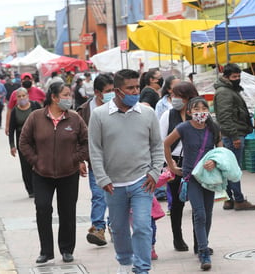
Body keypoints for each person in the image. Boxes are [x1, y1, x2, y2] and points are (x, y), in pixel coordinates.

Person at [88, 69, 164, 274]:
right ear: (117, 91)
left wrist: (155, 173)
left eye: (137, 87)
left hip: (142, 181)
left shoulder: (147, 113)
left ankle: (142, 268)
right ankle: (124, 262)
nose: (135, 91)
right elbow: (94, 149)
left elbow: (157, 146)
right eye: (130, 88)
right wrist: (102, 179)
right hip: (113, 185)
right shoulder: (99, 115)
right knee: (119, 229)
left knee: (142, 226)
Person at [19, 82, 88, 264]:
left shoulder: (74, 118)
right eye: (65, 95)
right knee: (42, 208)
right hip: (42, 174)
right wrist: (36, 160)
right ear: (54, 97)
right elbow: (24, 142)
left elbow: (87, 141)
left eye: (69, 94)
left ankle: (66, 249)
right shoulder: (35, 117)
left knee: (67, 212)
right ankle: (46, 251)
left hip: (68, 173)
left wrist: (76, 158)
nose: (69, 98)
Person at [164, 97, 222, 271]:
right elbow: (166, 144)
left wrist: (215, 162)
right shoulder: (183, 127)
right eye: (196, 109)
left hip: (209, 177)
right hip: (192, 177)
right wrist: (172, 166)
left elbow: (221, 151)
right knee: (199, 213)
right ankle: (203, 251)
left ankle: (202, 244)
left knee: (208, 214)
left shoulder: (213, 127)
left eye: (204, 108)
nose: (200, 112)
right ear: (189, 112)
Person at [213, 63, 255, 211]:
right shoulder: (225, 92)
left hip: (233, 134)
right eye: (234, 77)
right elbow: (225, 117)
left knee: (229, 168)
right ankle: (238, 199)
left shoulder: (228, 90)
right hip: (233, 134)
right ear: (226, 77)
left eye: (238, 76)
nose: (237, 79)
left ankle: (229, 199)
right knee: (234, 169)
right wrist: (234, 136)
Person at [159, 81, 198, 252]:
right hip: (174, 161)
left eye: (178, 96)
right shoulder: (168, 115)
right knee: (176, 202)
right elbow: (161, 141)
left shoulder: (199, 114)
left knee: (198, 204)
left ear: (189, 98)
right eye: (173, 95)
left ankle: (200, 241)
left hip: (196, 162)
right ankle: (178, 238)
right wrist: (168, 163)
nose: (174, 99)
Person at [77, 73, 114, 246]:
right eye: (108, 91)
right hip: (95, 162)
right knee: (99, 195)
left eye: (114, 90)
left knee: (117, 196)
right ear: (98, 93)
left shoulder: (118, 106)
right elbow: (78, 139)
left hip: (118, 160)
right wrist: (80, 160)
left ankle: (115, 226)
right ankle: (98, 229)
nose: (112, 94)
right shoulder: (84, 110)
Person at [8, 88, 41, 197]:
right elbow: (11, 128)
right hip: (22, 141)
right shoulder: (15, 111)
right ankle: (30, 190)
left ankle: (39, 187)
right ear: (16, 98)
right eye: (19, 96)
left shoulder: (35, 106)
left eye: (23, 95)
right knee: (25, 166)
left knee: (37, 164)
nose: (22, 98)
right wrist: (12, 145)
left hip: (36, 140)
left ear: (28, 96)